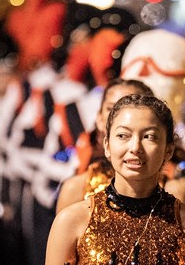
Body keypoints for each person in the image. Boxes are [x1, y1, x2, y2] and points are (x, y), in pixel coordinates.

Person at [43, 94, 185, 265]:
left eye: (149, 137)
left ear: (168, 150)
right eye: (123, 136)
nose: (135, 148)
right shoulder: (71, 221)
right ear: (107, 145)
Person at [55, 79, 153, 212]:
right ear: (99, 118)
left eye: (129, 107)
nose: (119, 117)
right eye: (111, 108)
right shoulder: (75, 189)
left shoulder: (172, 192)